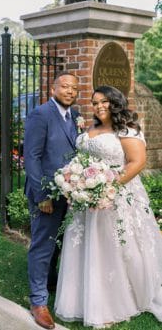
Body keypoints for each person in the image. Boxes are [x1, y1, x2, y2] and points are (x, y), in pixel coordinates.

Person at [55, 85, 162, 328]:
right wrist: (77, 181)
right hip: (86, 199)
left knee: (117, 247)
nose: (99, 106)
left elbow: (137, 162)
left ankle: (124, 298)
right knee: (87, 246)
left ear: (116, 103)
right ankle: (82, 300)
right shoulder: (91, 127)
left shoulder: (127, 129)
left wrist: (108, 188)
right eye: (95, 103)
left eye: (104, 102)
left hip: (116, 197)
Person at [24, 72, 80, 329]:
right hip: (46, 194)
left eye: (74, 88)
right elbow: (32, 157)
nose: (70, 91)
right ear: (54, 88)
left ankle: (51, 280)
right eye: (65, 86)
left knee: (58, 243)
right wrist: (42, 195)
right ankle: (38, 301)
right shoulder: (41, 114)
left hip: (69, 193)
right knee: (42, 245)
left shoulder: (75, 116)